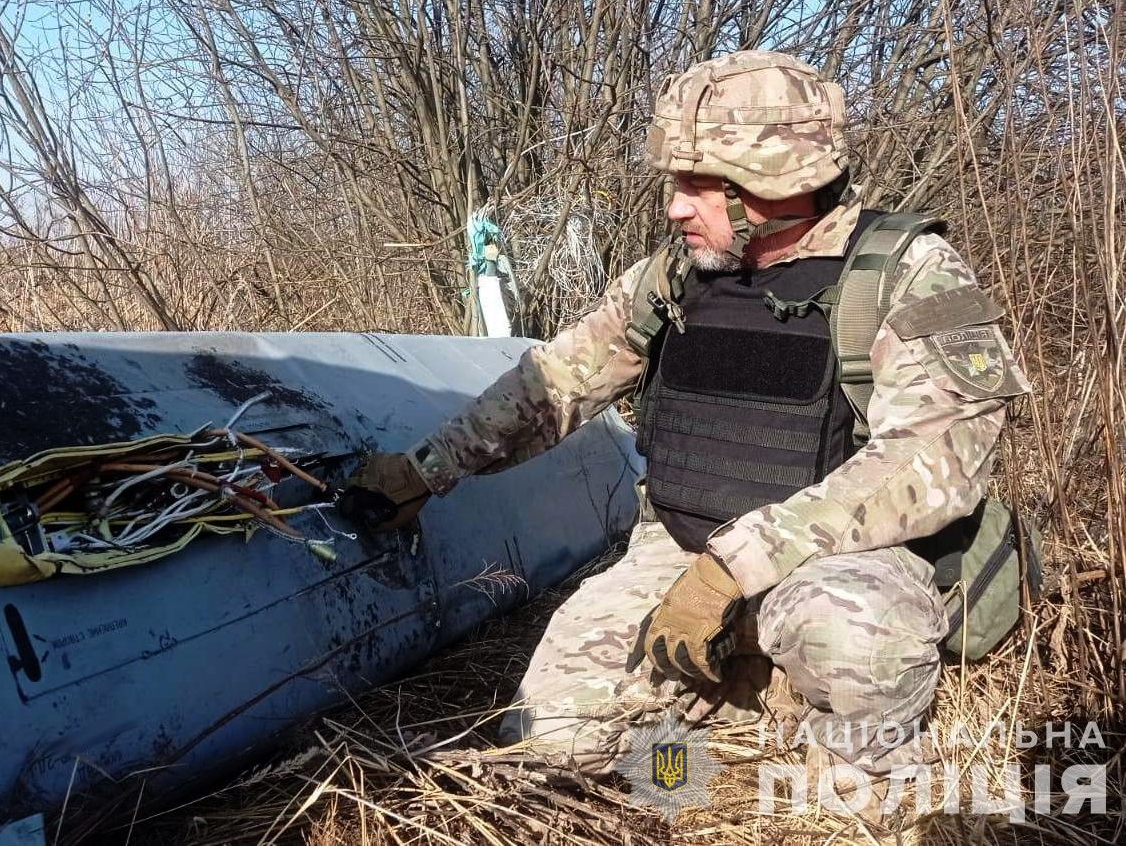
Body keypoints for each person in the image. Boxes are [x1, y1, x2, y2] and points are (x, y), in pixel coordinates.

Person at [336, 50, 1031, 817]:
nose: (674, 207)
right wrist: (425, 469)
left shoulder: (906, 274)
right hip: (676, 547)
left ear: (774, 182)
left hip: (840, 566)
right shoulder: (672, 279)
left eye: (698, 185)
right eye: (675, 183)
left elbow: (933, 461)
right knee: (553, 738)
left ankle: (856, 781)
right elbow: (554, 383)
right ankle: (710, 730)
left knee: (855, 641)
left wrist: (734, 568)